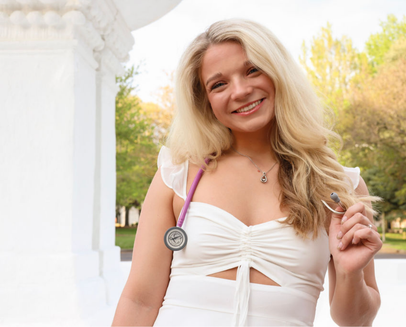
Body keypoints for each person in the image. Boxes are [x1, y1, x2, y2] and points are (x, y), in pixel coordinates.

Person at [112, 19, 382, 327]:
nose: (240, 91)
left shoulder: (337, 186)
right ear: (206, 102)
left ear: (278, 71)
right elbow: (140, 301)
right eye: (219, 84)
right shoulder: (177, 176)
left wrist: (350, 273)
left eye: (253, 70)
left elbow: (355, 321)